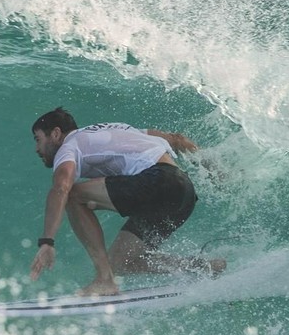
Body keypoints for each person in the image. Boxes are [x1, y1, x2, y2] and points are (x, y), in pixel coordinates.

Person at [29, 107, 226, 296]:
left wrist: (47, 241)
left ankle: (104, 279)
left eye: (38, 140)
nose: (37, 149)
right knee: (121, 261)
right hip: (184, 194)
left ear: (56, 133)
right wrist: (216, 171)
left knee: (73, 196)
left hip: (159, 181)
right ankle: (203, 267)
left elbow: (61, 188)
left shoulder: (69, 145)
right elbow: (178, 140)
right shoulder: (121, 130)